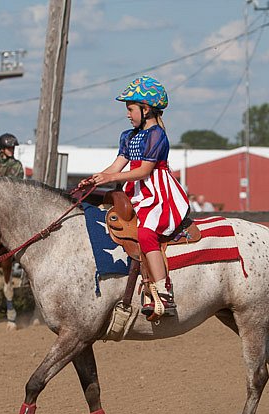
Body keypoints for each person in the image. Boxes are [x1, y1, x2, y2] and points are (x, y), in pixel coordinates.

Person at [79, 75, 189, 318]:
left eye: (130, 109)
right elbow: (116, 166)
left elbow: (144, 170)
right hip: (133, 190)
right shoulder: (127, 136)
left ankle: (163, 291)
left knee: (147, 232)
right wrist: (97, 177)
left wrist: (111, 179)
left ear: (146, 108)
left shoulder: (157, 135)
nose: (128, 114)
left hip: (156, 192)